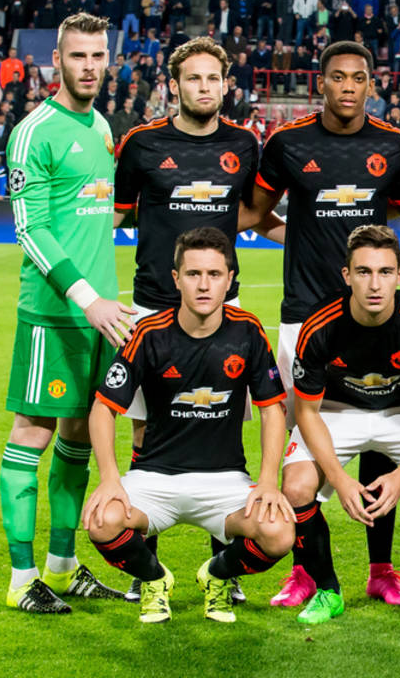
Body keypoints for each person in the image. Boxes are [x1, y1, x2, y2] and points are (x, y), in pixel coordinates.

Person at [240, 41, 400, 610]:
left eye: (358, 78)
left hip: (374, 315)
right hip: (304, 315)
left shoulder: (393, 145)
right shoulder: (287, 143)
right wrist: (292, 235)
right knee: (302, 444)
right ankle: (304, 571)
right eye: (338, 77)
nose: (348, 87)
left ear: (371, 84)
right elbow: (255, 212)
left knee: (378, 436)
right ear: (320, 83)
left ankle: (381, 569)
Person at [111, 36, 270, 603]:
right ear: (174, 85)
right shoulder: (142, 144)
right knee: (144, 430)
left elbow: (250, 212)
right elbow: (117, 214)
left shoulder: (243, 144)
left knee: (222, 422)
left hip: (221, 307)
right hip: (153, 306)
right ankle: (144, 566)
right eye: (193, 78)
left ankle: (224, 567)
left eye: (213, 78)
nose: (204, 87)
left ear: (226, 85)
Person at [83, 227, 293, 624]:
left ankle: (217, 575)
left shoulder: (248, 331)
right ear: (176, 278)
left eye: (214, 274)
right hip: (155, 478)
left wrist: (268, 481)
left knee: (279, 533)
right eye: (194, 274)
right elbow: (102, 408)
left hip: (224, 480)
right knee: (101, 520)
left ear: (230, 280)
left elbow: (272, 410)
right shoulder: (149, 332)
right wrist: (110, 478)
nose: (204, 284)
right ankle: (154, 579)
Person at [1, 12, 132, 613]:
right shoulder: (34, 132)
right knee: (33, 433)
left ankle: (61, 565)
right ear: (56, 60)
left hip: (102, 317)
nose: (89, 66)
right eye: (78, 55)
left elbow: (96, 216)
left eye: (98, 55)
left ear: (109, 59)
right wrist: (86, 297)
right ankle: (21, 578)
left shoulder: (102, 126)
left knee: (80, 434)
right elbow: (31, 229)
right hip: (54, 313)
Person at [283, 225, 400, 627]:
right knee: (296, 487)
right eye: (363, 272)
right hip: (336, 410)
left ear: (399, 274)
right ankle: (327, 590)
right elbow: (306, 412)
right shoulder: (318, 324)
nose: (374, 284)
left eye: (384, 272)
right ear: (347, 275)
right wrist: (340, 480)